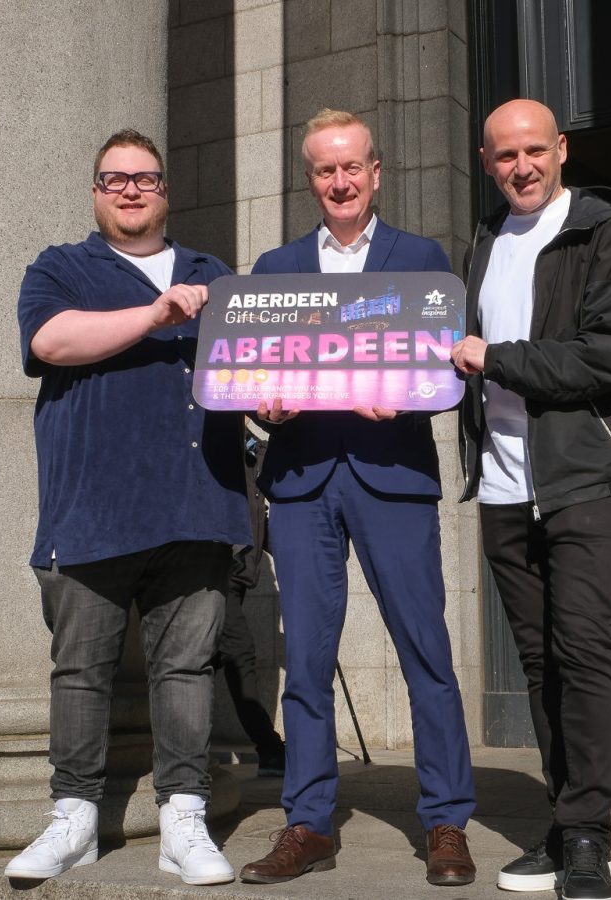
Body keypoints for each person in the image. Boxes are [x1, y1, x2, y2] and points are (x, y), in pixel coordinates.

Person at [238, 108, 477, 888]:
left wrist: (408, 397)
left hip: (392, 476)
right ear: (309, 179)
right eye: (323, 170)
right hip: (303, 481)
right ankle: (307, 824)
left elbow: (445, 376)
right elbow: (254, 381)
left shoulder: (423, 259)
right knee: (305, 662)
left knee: (425, 652)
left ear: (376, 172)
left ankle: (446, 821)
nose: (339, 182)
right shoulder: (273, 272)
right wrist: (262, 406)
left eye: (352, 167)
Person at [8, 129, 251, 886]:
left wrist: (274, 403)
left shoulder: (215, 274)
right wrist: (155, 314)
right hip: (91, 508)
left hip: (199, 503)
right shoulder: (61, 267)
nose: (131, 191)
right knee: (80, 671)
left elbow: (253, 371)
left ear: (165, 191)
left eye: (145, 179)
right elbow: (51, 342)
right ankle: (73, 818)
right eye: (115, 180)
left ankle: (184, 816)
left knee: (186, 669)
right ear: (95, 192)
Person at [450, 98, 611, 900]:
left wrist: (493, 358)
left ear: (562, 149)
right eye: (506, 156)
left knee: (584, 651)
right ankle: (564, 813)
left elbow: (606, 358)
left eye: (535, 150)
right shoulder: (481, 241)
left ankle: (589, 836)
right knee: (541, 665)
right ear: (486, 160)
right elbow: (460, 362)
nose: (522, 167)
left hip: (584, 479)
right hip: (504, 487)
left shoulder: (608, 232)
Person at [212, 433, 288, 776]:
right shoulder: (214, 439)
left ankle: (194, 746)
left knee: (214, 657)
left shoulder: (259, 450)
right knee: (237, 653)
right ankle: (269, 748)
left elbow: (259, 515)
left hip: (242, 574)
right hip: (213, 569)